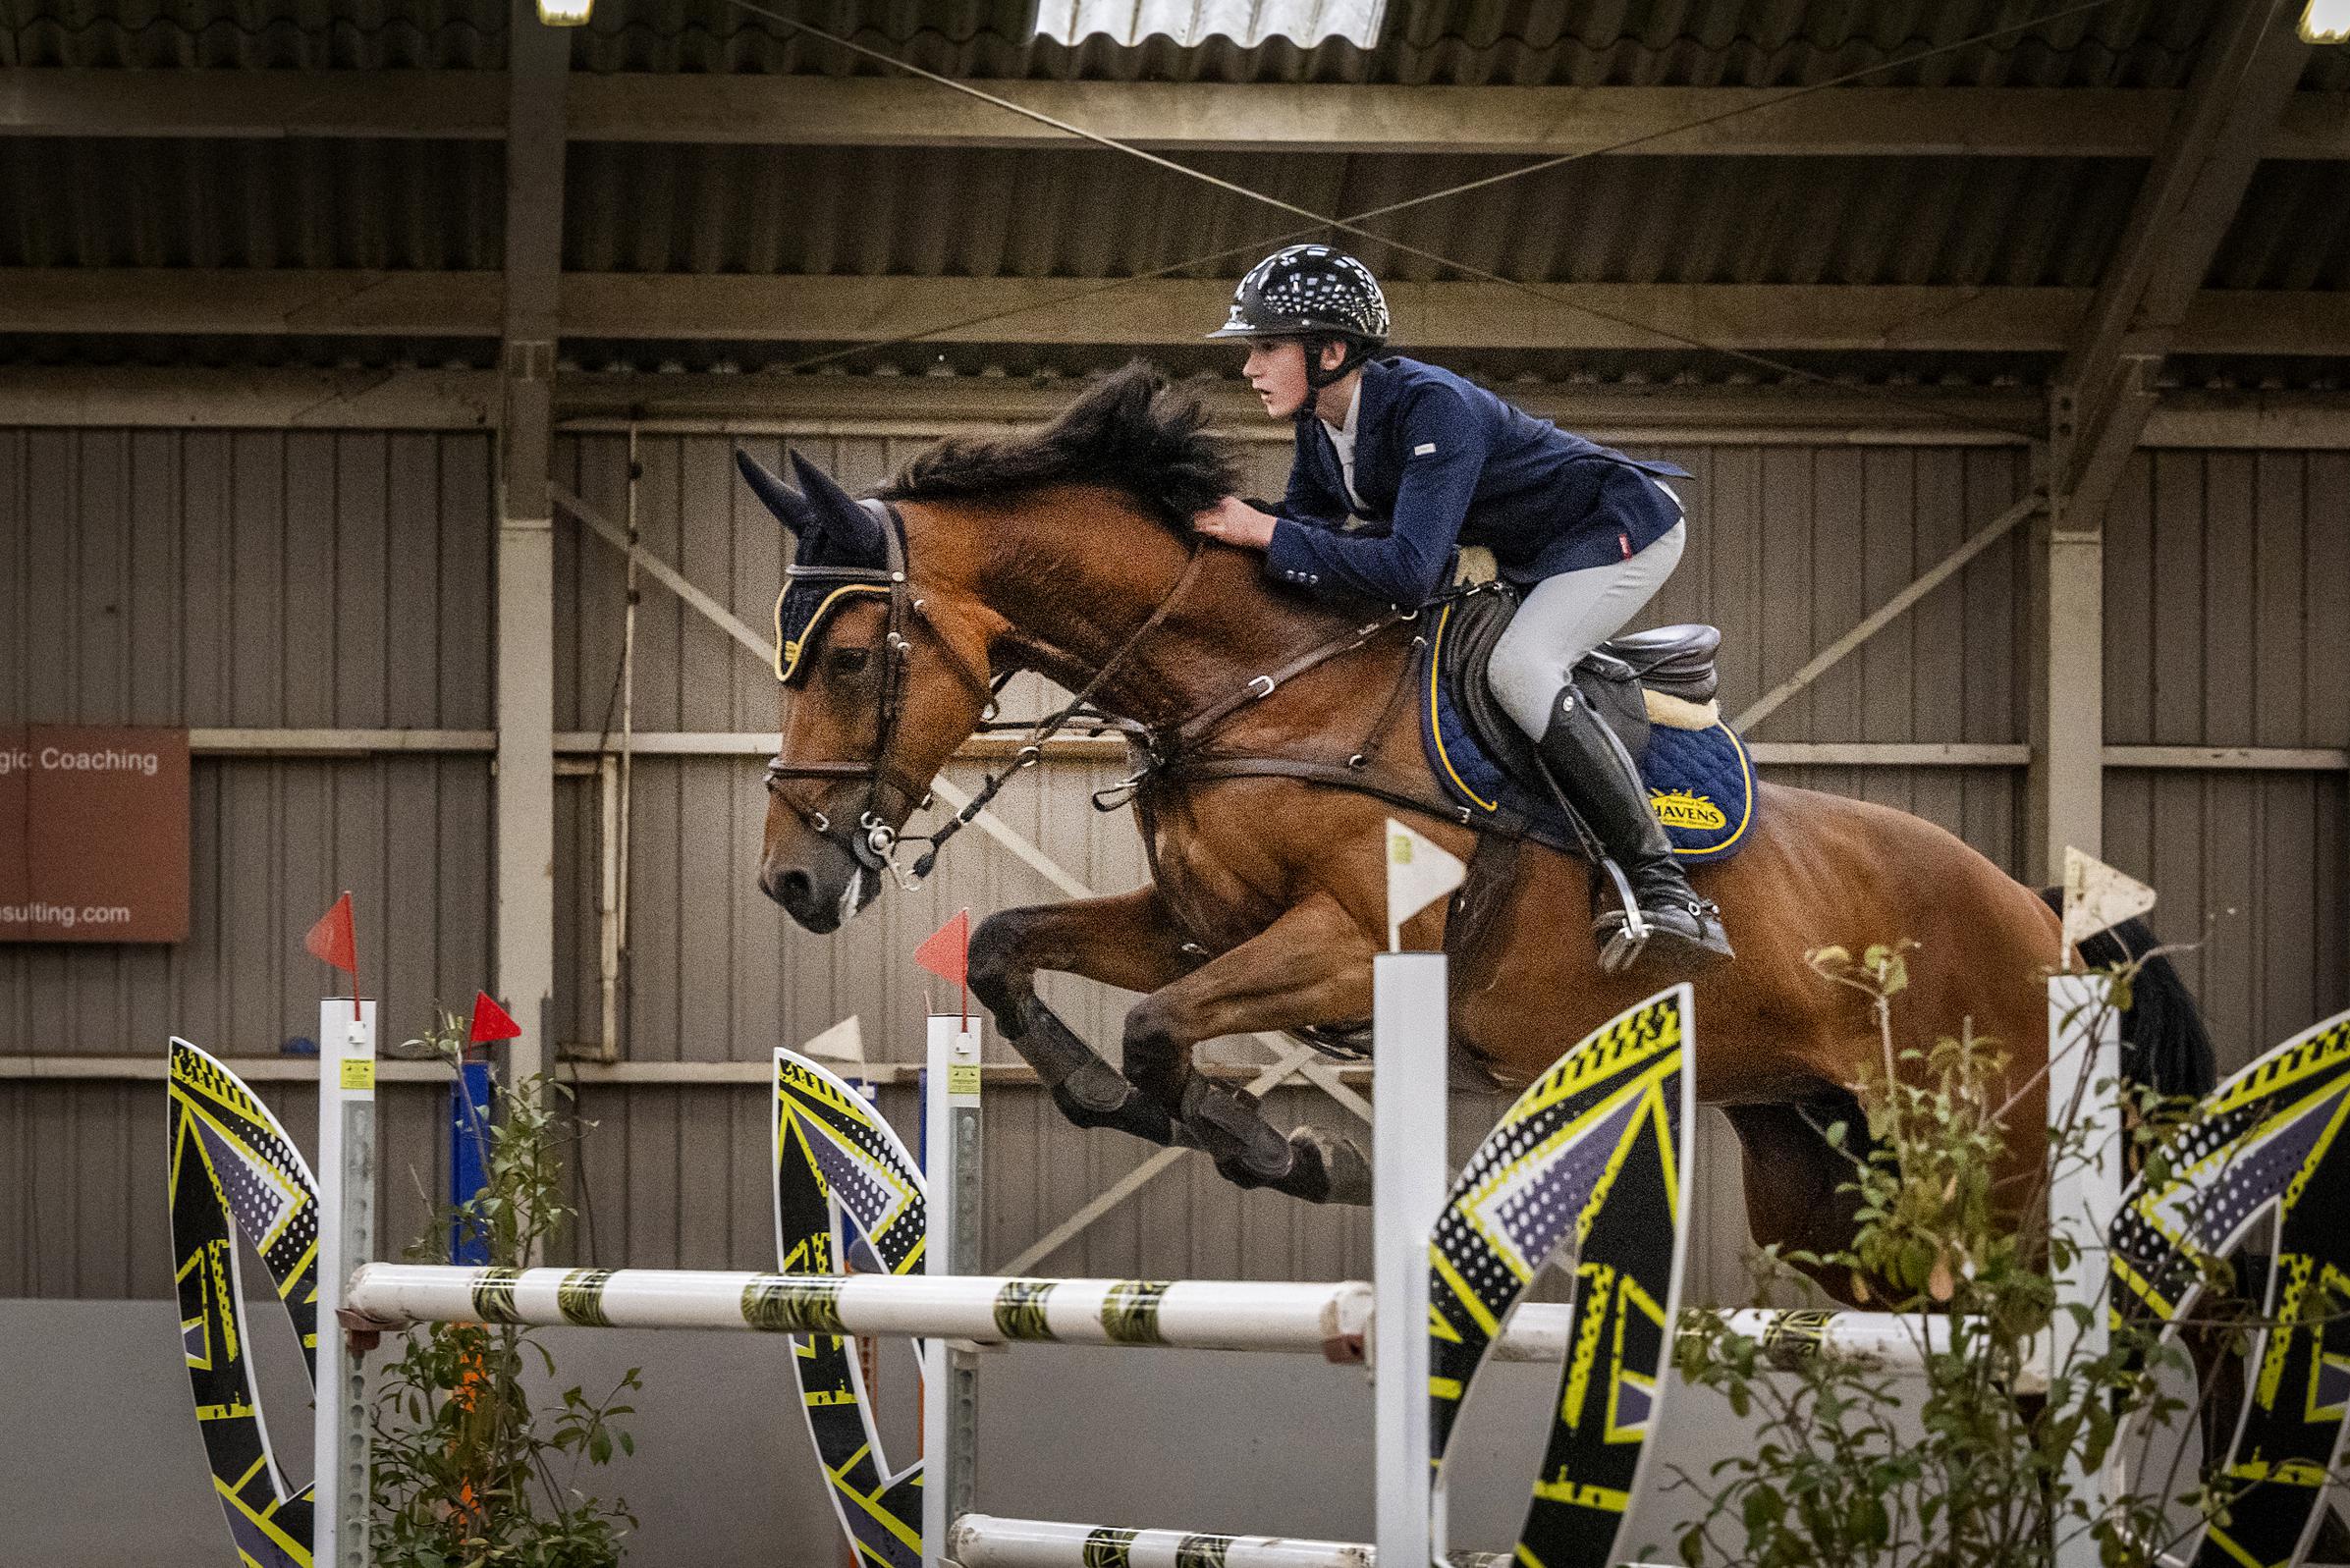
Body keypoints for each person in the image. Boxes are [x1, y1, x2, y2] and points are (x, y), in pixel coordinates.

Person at [1190, 243, 1731, 966]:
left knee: (1521, 668)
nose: (1249, 368)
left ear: (1330, 351)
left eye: (1265, 347)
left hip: (1615, 529)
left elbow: (1407, 570)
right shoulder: (1321, 425)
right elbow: (1308, 527)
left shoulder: (1430, 406)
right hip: (1530, 549)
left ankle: (1665, 889)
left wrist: (1262, 531)